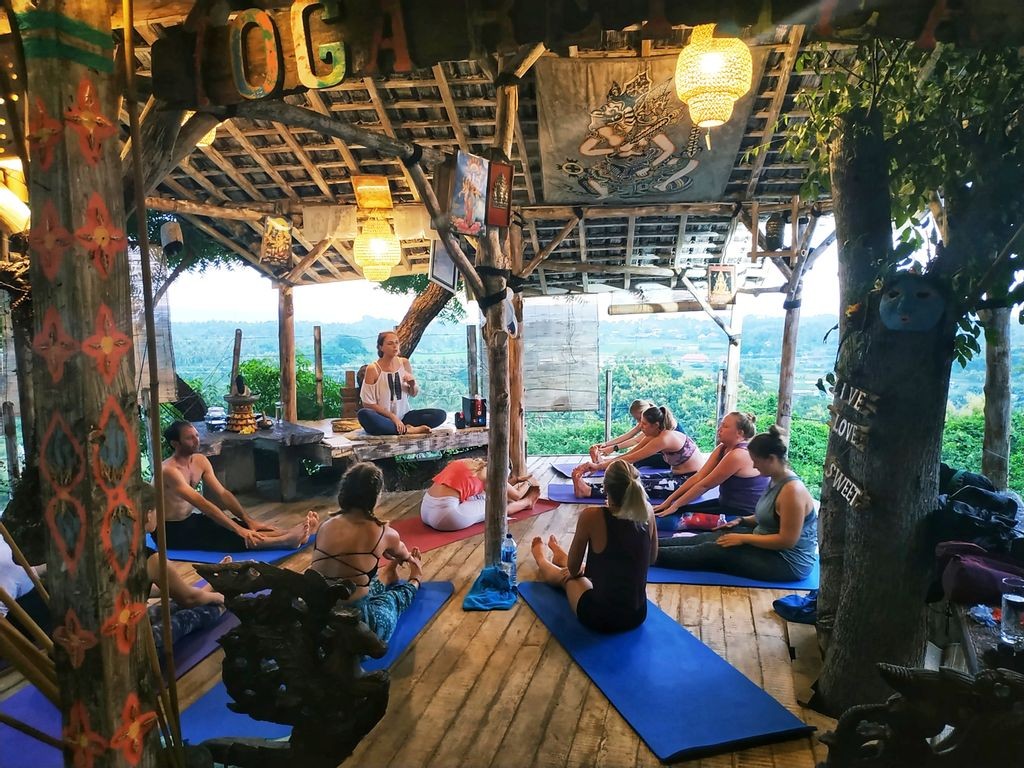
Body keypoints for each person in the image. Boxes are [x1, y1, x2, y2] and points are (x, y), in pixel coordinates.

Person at [655, 426, 818, 582]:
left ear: (771, 459)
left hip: (786, 561)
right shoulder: (775, 478)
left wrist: (743, 538)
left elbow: (786, 540)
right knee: (710, 537)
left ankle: (645, 554)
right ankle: (647, 544)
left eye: (756, 461)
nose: (754, 466)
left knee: (712, 550)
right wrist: (742, 520)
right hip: (763, 539)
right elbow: (770, 516)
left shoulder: (792, 491)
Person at [531, 460, 657, 633]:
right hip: (638, 614)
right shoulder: (648, 511)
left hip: (600, 617)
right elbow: (652, 558)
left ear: (605, 487)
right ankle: (560, 556)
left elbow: (573, 570)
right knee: (589, 569)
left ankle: (540, 559)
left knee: (567, 577)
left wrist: (579, 571)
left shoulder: (592, 516)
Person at [309, 462, 423, 643]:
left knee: (364, 582)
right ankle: (415, 580)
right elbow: (403, 553)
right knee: (392, 600)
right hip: (355, 622)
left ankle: (388, 575)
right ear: (375, 497)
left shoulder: (326, 525)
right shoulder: (383, 533)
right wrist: (408, 559)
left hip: (317, 613)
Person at [162, 421, 318, 552]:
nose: (196, 440)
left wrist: (247, 520)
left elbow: (223, 493)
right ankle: (286, 540)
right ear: (175, 444)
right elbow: (203, 504)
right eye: (189, 438)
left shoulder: (199, 461)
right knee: (231, 536)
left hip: (189, 519)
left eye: (196, 435)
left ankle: (291, 533)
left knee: (241, 526)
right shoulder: (169, 471)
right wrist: (238, 530)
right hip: (169, 531)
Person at [652, 411, 770, 531]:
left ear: (739, 433)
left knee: (671, 520)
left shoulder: (739, 455)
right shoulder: (722, 448)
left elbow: (705, 485)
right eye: (721, 425)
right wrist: (669, 502)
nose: (719, 429)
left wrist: (675, 505)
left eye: (725, 426)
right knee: (676, 509)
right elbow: (699, 477)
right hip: (725, 505)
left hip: (745, 515)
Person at [572, 405, 704, 499]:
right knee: (634, 478)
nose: (640, 426)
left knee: (636, 487)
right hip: (675, 476)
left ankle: (589, 491)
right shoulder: (655, 434)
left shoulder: (664, 438)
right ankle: (591, 486)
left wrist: (599, 466)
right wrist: (601, 464)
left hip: (691, 482)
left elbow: (632, 459)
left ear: (656, 425)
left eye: (644, 424)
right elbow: (630, 454)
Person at [358, 331, 447, 436]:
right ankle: (407, 430)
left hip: (404, 417)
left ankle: (400, 428)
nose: (395, 346)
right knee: (363, 414)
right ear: (381, 347)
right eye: (390, 343)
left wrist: (412, 384)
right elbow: (367, 403)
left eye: (397, 342)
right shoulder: (373, 369)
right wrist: (392, 417)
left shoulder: (404, 363)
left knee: (440, 415)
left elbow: (413, 394)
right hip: (383, 418)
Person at [420, 458, 542, 531]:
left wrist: (515, 480)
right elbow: (516, 495)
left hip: (425, 510)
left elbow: (497, 488)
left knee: (482, 496)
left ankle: (522, 502)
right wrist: (529, 482)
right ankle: (528, 503)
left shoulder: (470, 464)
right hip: (445, 516)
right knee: (497, 505)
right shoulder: (491, 473)